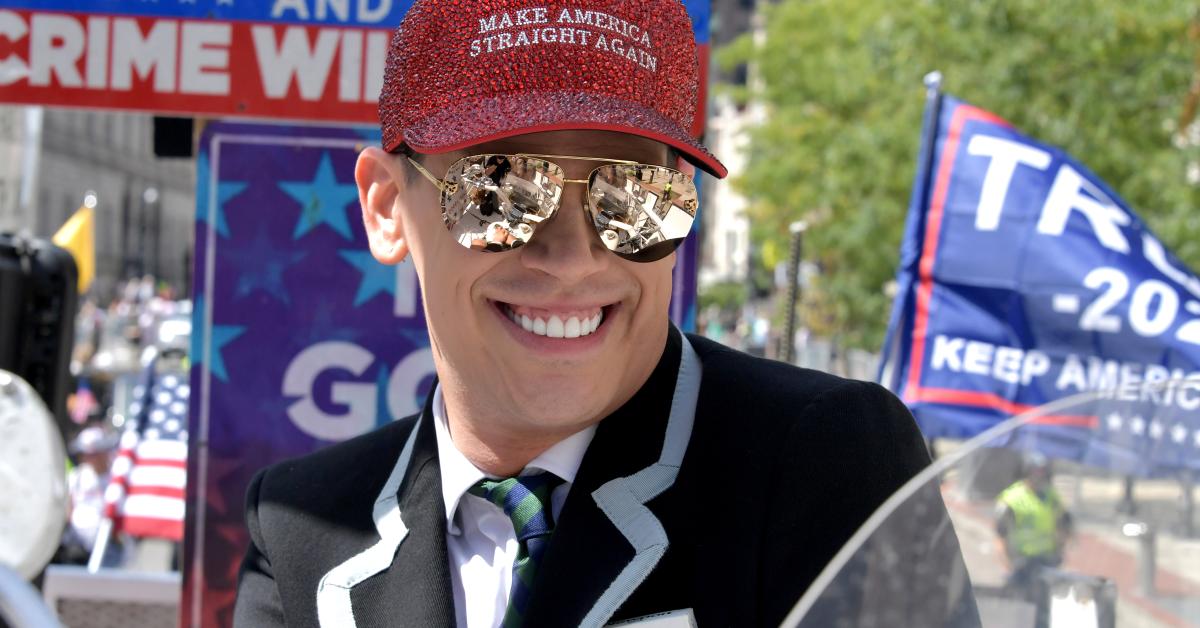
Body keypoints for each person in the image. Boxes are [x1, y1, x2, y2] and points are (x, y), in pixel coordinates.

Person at [234, 0, 974, 626]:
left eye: (633, 194)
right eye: (502, 189)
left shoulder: (823, 463)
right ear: (387, 207)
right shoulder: (301, 529)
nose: (573, 258)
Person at [995, 453, 1073, 625]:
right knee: (1020, 608)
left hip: (1046, 560)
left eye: (1042, 473)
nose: (1038, 478)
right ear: (1026, 473)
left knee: (1044, 609)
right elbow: (1001, 533)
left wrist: (1062, 549)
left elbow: (1064, 524)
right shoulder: (1012, 499)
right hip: (1021, 562)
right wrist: (1006, 562)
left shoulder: (1051, 496)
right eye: (1035, 473)